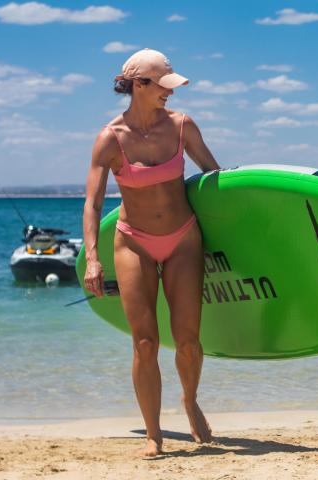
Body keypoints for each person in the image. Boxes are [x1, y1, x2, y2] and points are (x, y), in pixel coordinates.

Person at [83, 48, 220, 456]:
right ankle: (154, 434)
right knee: (145, 342)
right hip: (133, 241)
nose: (170, 94)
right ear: (139, 84)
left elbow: (216, 180)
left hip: (183, 239)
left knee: (189, 341)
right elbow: (92, 203)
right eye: (163, 86)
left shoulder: (182, 127)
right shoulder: (111, 137)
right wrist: (93, 257)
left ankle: (190, 399)